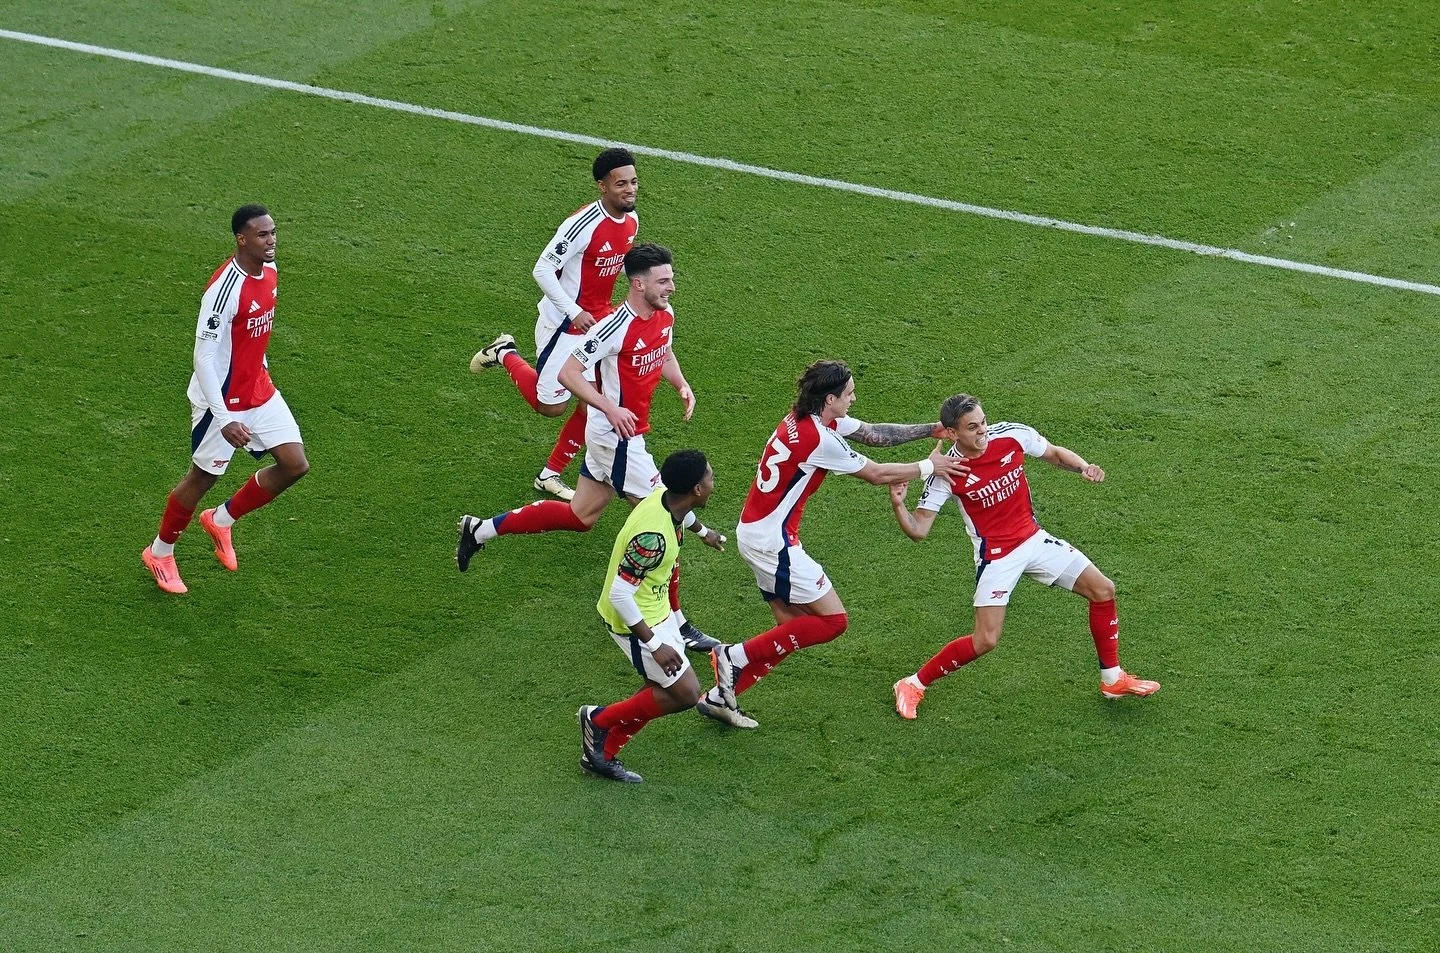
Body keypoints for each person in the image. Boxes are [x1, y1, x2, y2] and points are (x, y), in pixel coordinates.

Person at [458, 243, 721, 650]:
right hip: (616, 440)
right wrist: (607, 406)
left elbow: (663, 350)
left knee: (581, 516)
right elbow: (568, 372)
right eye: (663, 280)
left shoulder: (664, 313)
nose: (672, 286)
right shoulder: (613, 327)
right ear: (638, 284)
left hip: (623, 435)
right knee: (667, 518)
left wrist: (681, 383)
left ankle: (481, 529)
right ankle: (680, 623)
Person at [702, 360, 969, 723]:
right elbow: (876, 474)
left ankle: (720, 697)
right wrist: (929, 467)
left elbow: (875, 433)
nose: (854, 399)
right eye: (849, 394)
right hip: (774, 544)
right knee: (833, 621)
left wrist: (931, 429)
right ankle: (734, 656)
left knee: (792, 629)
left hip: (756, 532)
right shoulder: (820, 439)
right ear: (830, 398)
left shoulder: (805, 420)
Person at [887, 393, 1160, 719]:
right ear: (951, 433)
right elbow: (919, 529)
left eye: (983, 422)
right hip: (997, 557)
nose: (982, 431)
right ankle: (913, 683)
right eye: (972, 428)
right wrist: (898, 505)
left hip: (1034, 540)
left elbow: (1054, 453)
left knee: (1103, 589)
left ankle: (1112, 679)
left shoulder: (1011, 435)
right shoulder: (946, 472)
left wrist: (1083, 467)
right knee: (986, 639)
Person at [140, 204, 310, 595]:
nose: (272, 240)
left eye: (273, 232)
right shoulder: (223, 291)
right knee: (202, 478)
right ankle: (159, 552)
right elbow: (203, 358)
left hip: (259, 390)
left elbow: (256, 332)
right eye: (263, 234)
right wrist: (223, 417)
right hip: (223, 401)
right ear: (241, 238)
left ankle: (221, 519)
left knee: (294, 465)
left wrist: (259, 366)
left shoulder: (270, 272)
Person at [469, 148, 640, 502]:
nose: (630, 189)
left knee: (594, 401)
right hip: (561, 326)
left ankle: (549, 474)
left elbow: (612, 265)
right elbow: (542, 269)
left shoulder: (631, 220)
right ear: (602, 186)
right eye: (621, 183)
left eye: (634, 181)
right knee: (551, 407)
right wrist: (574, 310)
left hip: (597, 324)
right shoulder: (582, 225)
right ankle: (505, 353)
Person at [578, 449, 746, 783]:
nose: (713, 482)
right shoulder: (652, 539)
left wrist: (704, 533)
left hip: (657, 611)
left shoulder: (664, 498)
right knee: (684, 693)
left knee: (661, 687)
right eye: (709, 478)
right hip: (635, 622)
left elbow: (680, 514)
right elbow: (621, 594)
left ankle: (602, 749)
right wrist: (655, 645)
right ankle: (598, 721)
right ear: (696, 490)